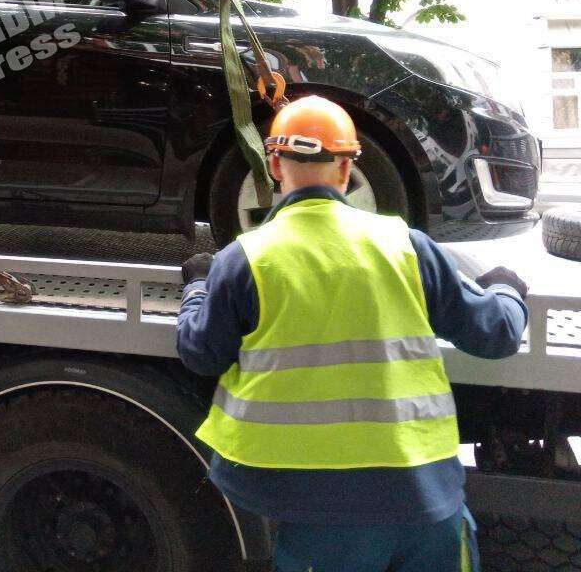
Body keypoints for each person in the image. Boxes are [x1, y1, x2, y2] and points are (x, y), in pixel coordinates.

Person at [176, 95, 528, 572]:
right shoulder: (406, 245)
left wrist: (198, 284)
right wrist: (506, 288)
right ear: (345, 169)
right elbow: (496, 335)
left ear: (275, 164)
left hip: (315, 513)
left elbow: (201, 352)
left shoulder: (246, 258)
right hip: (424, 499)